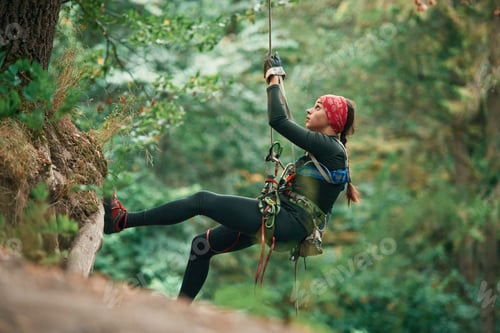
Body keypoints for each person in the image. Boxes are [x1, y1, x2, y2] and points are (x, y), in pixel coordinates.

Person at [103, 53, 360, 302]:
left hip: (285, 222)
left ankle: (121, 221)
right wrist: (276, 81)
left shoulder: (330, 148)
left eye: (317, 108)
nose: (308, 110)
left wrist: (273, 79)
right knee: (202, 246)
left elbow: (279, 120)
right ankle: (180, 312)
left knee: (201, 201)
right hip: (282, 221)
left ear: (332, 121)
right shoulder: (329, 151)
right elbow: (285, 121)